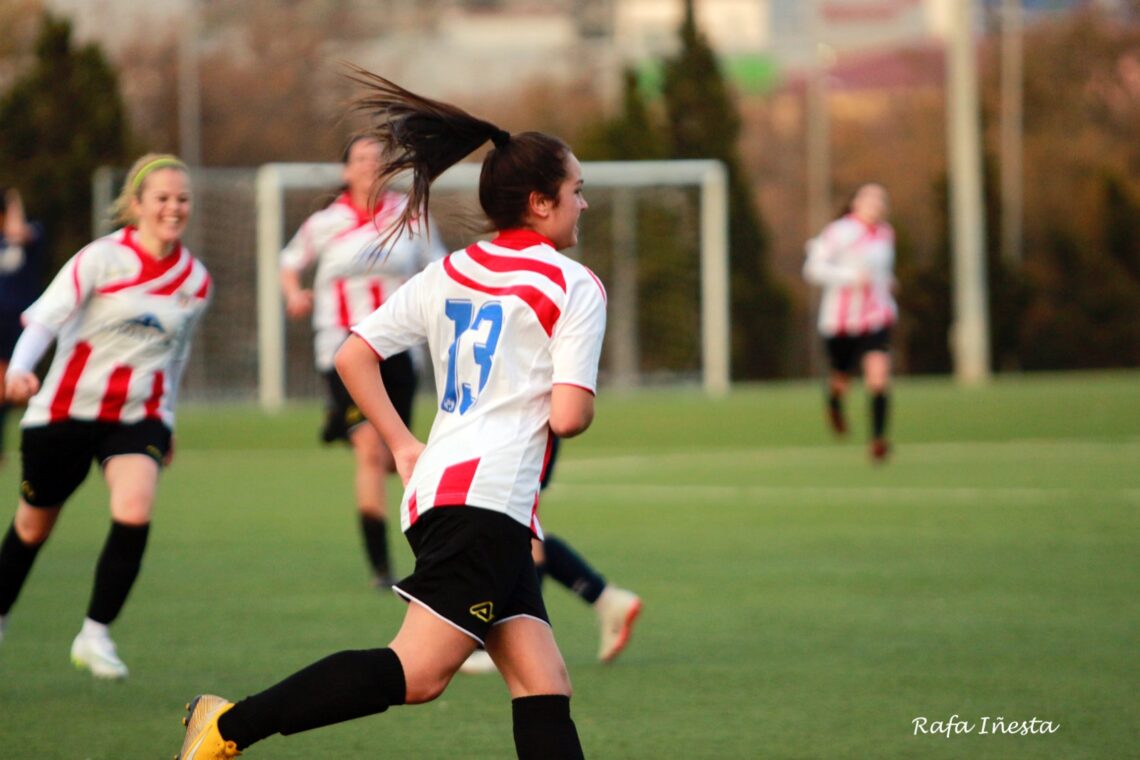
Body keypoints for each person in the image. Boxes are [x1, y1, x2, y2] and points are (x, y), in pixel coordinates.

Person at [177, 71, 604, 760]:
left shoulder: (453, 270)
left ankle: (227, 727)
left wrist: (406, 446)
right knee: (418, 673)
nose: (585, 203)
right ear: (540, 202)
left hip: (446, 489)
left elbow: (353, 356)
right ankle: (228, 728)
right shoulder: (572, 284)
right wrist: (572, 381)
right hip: (486, 502)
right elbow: (570, 417)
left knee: (542, 680)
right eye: (577, 190)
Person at [0, 154, 211, 678]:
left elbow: (175, 357)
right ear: (136, 205)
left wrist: (170, 417)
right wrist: (21, 370)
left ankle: (95, 634)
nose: (173, 208)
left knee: (134, 508)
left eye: (181, 199)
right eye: (161, 198)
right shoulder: (100, 259)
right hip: (64, 414)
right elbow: (45, 320)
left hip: (138, 417)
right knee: (32, 527)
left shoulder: (197, 282)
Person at [280, 135, 446, 588]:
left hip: (400, 350)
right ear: (346, 171)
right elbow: (289, 262)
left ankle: (339, 421)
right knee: (372, 451)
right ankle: (380, 568)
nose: (371, 165)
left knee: (397, 455)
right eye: (361, 159)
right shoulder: (326, 222)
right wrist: (294, 293)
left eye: (379, 159)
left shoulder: (411, 217)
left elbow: (440, 270)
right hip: (344, 349)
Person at [461, 436, 641, 674]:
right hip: (509, 427)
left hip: (519, 427)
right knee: (513, 526)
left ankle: (512, 643)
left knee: (516, 528)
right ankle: (603, 597)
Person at [803, 182, 897, 462]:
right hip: (841, 321)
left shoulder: (885, 234)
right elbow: (813, 269)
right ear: (856, 202)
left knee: (878, 376)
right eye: (869, 198)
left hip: (877, 317)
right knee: (841, 379)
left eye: (880, 199)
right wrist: (849, 277)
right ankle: (834, 405)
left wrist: (888, 282)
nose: (875, 204)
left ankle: (878, 440)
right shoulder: (839, 232)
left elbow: (882, 272)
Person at [0, 188, 45, 467]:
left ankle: (45, 439)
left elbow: (20, 231)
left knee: (21, 388)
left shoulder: (33, 233)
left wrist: (14, 200)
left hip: (24, 324)